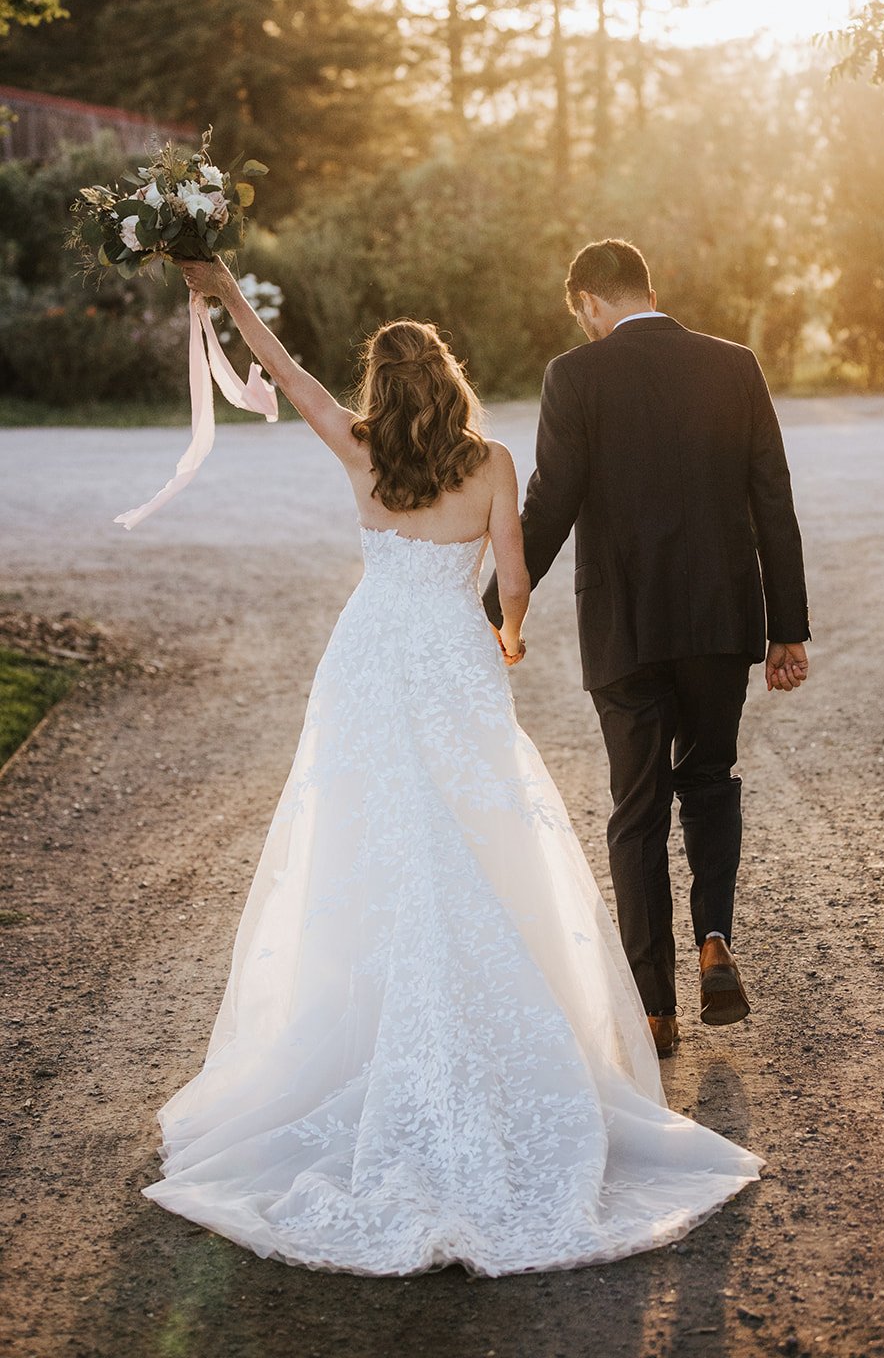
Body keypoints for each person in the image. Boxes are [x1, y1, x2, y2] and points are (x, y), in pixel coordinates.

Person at [141, 254, 762, 1279]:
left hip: (369, 662)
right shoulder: (492, 463)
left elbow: (285, 370)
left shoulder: (356, 449)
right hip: (452, 663)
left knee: (367, 843)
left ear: (381, 390)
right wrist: (506, 635)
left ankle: (362, 1037)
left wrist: (222, 294)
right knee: (480, 841)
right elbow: (514, 578)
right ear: (452, 380)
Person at [484, 240, 810, 1060]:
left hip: (624, 629)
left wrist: (485, 611)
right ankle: (711, 938)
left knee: (635, 811)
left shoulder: (576, 376)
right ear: (648, 290)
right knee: (707, 779)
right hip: (717, 623)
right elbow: (772, 497)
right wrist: (786, 628)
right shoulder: (733, 365)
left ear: (589, 301)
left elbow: (549, 504)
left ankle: (654, 1011)